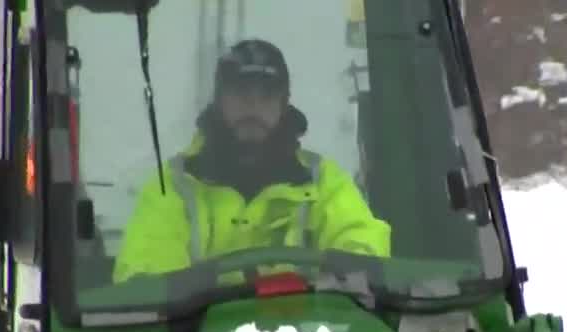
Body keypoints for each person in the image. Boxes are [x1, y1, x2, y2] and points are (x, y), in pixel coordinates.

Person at [112, 39, 391, 283]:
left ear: (284, 104)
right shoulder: (174, 185)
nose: (253, 106)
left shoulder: (323, 181)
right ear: (219, 101)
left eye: (266, 95)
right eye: (241, 93)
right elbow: (146, 275)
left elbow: (361, 249)